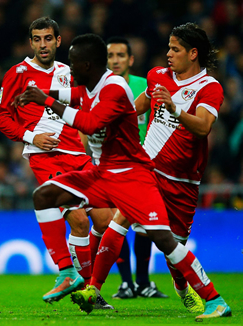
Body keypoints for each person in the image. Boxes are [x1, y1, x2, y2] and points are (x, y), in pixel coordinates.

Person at [18, 33, 231, 320]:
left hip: (181, 181)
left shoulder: (209, 87)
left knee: (170, 245)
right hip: (143, 168)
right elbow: (136, 107)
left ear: (193, 53)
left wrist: (173, 108)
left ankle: (194, 291)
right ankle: (90, 285)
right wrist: (118, 120)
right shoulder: (157, 76)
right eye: (168, 47)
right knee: (112, 222)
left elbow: (204, 127)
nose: (168, 53)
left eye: (175, 49)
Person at [0, 17, 113, 307]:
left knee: (103, 220)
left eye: (48, 38)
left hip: (79, 154)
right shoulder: (18, 73)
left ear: (58, 41)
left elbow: (84, 107)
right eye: (37, 39)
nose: (43, 44)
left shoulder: (69, 72)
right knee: (77, 218)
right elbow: (2, 116)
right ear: (31, 42)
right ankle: (68, 272)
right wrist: (31, 137)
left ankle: (86, 286)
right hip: (45, 158)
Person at [106, 36, 167, 299]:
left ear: (131, 60)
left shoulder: (145, 86)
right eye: (110, 56)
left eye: (120, 55)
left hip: (142, 164)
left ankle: (142, 282)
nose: (115, 60)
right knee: (114, 222)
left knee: (144, 225)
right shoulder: (99, 89)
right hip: (111, 165)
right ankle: (125, 283)